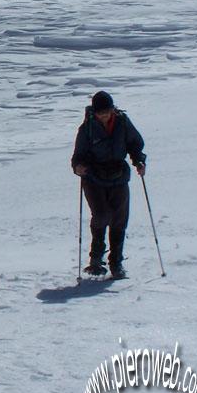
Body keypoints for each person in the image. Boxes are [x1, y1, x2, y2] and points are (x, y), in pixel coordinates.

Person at [71, 91, 146, 279]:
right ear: (94, 112)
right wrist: (78, 167)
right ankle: (96, 260)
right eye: (100, 112)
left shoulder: (122, 122)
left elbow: (135, 144)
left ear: (113, 109)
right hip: (93, 177)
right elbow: (77, 156)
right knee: (102, 214)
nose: (104, 115)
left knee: (119, 219)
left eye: (107, 111)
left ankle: (116, 263)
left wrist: (139, 161)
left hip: (118, 175)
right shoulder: (87, 128)